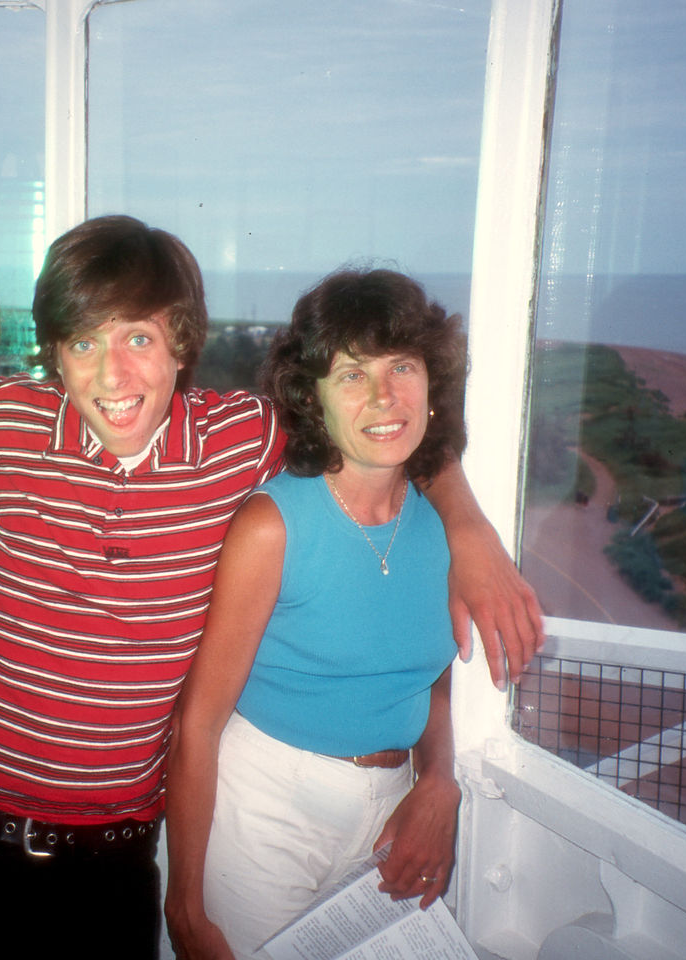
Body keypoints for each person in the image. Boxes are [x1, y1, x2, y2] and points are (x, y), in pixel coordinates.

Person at [0, 216, 544, 958]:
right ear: (54, 357)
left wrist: (468, 531)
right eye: (83, 343)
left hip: (113, 859)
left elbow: (380, 422)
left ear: (181, 342)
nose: (112, 373)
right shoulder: (9, 419)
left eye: (138, 338)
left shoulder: (239, 437)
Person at [164, 269, 467, 960]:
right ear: (314, 399)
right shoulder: (273, 525)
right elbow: (198, 723)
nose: (385, 396)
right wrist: (183, 903)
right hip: (267, 807)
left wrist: (439, 780)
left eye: (402, 366)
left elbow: (431, 673)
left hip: (390, 811)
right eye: (352, 375)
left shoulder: (443, 530)